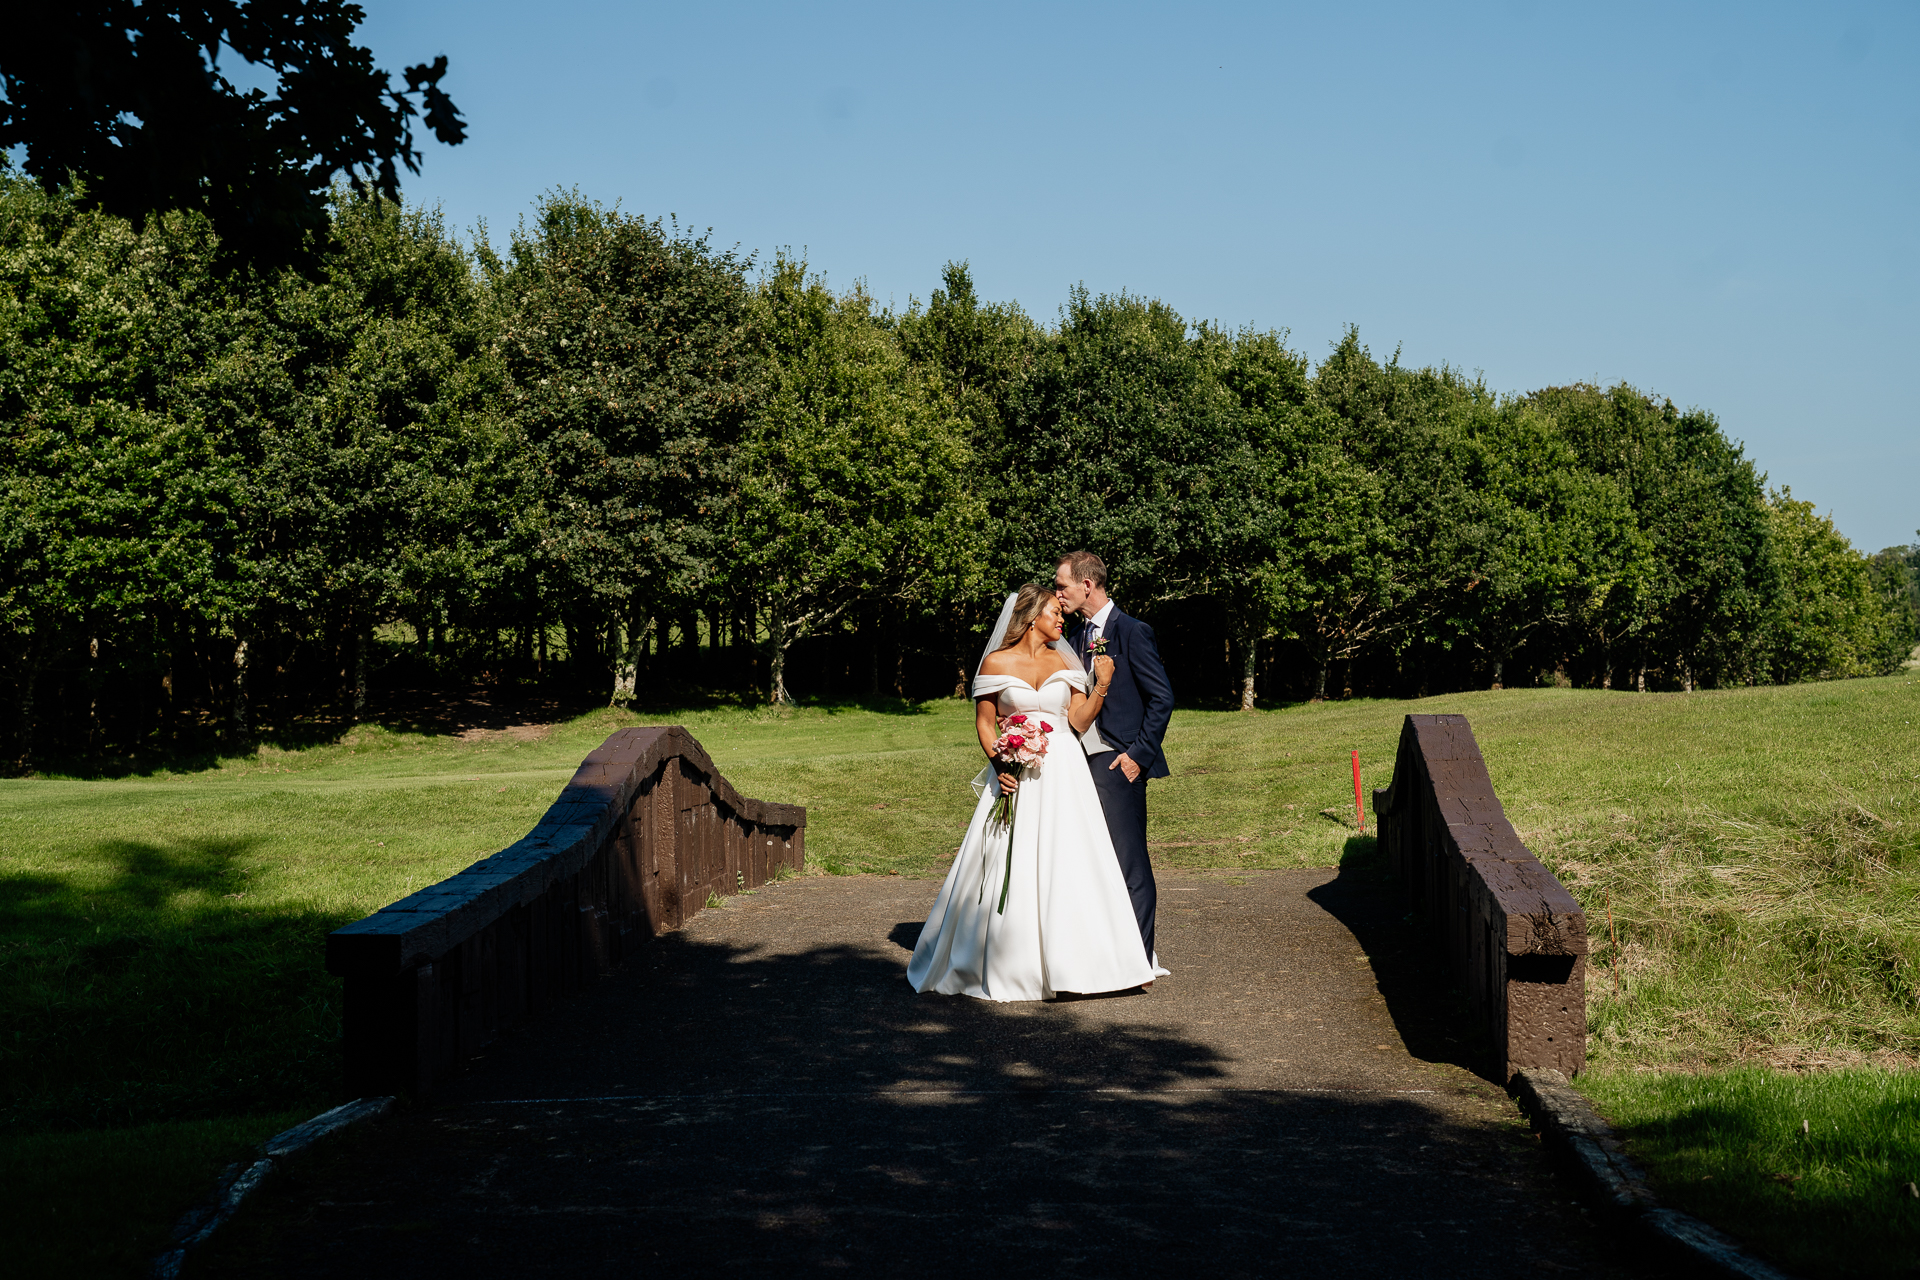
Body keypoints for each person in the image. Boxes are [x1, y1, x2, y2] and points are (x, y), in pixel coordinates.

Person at [907, 585, 1165, 1001]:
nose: (1061, 619)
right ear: (1030, 617)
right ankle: (1014, 959)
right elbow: (986, 723)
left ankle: (1092, 962)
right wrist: (1000, 763)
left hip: (1065, 771)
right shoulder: (996, 661)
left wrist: (1102, 684)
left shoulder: (1064, 660)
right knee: (1016, 858)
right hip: (1017, 774)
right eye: (1053, 613)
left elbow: (1079, 721)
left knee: (1075, 860)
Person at [1053, 550, 1172, 970]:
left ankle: (1139, 961)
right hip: (1076, 767)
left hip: (1118, 766)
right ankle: (1101, 956)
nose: (1057, 593)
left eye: (1062, 585)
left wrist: (1136, 756)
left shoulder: (1132, 631)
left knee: (1129, 863)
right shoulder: (1071, 637)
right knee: (1089, 863)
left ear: (1087, 584)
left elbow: (1162, 698)